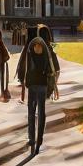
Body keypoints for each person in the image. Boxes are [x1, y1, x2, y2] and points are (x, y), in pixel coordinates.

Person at [17, 24, 59, 154]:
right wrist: (53, 85)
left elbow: (21, 66)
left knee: (31, 112)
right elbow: (56, 70)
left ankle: (31, 138)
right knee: (41, 113)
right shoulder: (49, 50)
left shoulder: (29, 48)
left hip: (32, 84)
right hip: (43, 85)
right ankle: (39, 139)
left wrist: (22, 80)